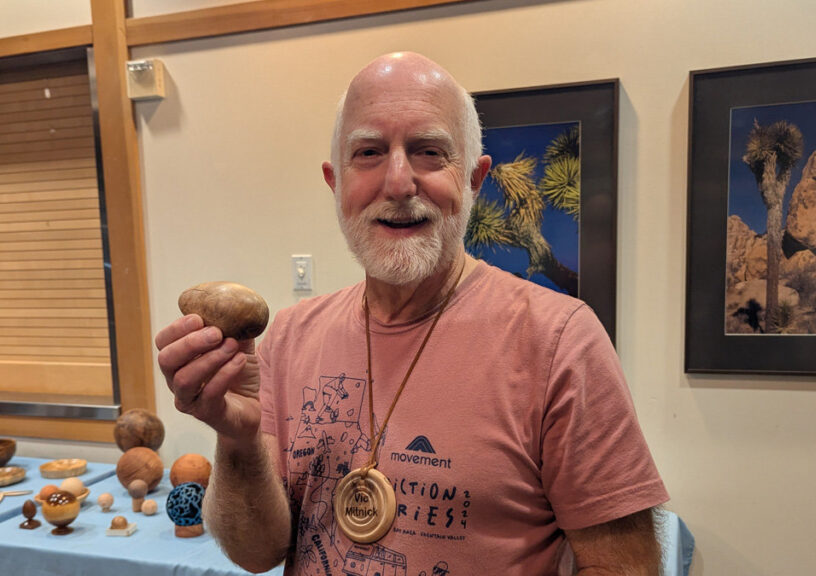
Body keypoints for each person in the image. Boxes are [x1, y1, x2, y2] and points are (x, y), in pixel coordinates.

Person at [156, 52, 668, 575]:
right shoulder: (288, 337)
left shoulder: (559, 341)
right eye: (370, 153)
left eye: (428, 152)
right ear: (336, 183)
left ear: (474, 178)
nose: (398, 183)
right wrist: (236, 439)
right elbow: (255, 553)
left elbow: (624, 567)